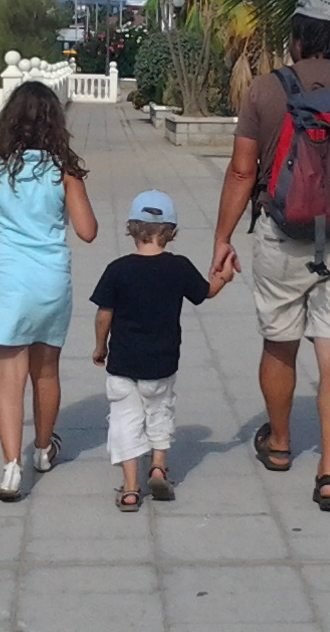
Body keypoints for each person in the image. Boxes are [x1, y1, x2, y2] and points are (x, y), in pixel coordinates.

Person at [210, 0, 330, 510]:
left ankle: (279, 444)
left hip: (280, 236)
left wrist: (222, 238)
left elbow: (242, 172)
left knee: (280, 342)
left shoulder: (266, 91)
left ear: (296, 37)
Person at [0, 79, 98, 502]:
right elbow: (88, 231)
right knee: (46, 371)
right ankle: (42, 450)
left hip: (8, 282)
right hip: (50, 281)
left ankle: (11, 468)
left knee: (9, 377)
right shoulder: (63, 171)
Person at [89, 190, 234, 511]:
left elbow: (104, 315)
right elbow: (206, 292)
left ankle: (130, 488)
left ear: (131, 228)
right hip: (163, 361)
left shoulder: (117, 269)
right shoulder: (179, 267)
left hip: (124, 362)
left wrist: (101, 346)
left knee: (125, 420)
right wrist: (224, 277)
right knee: (160, 411)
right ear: (171, 231)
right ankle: (157, 466)